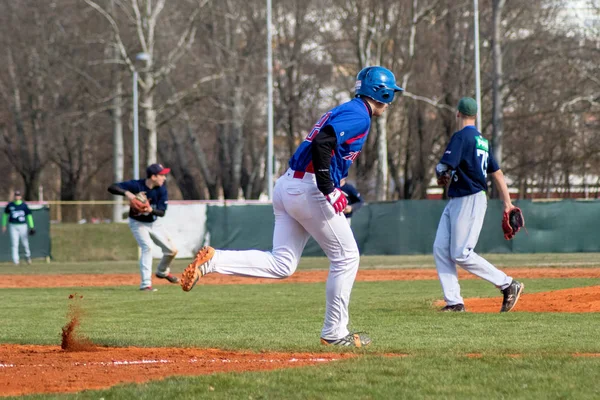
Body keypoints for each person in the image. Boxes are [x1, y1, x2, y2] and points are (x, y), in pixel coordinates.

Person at [180, 66, 403, 347]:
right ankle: (334, 333)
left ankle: (215, 260)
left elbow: (327, 148)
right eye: (391, 93)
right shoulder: (359, 114)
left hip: (288, 185)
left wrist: (334, 178)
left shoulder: (347, 109)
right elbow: (323, 143)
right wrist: (327, 188)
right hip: (308, 189)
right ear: (382, 93)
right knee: (347, 258)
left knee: (282, 264)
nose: (392, 98)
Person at [433, 97, 524, 313]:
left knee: (461, 252)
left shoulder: (461, 137)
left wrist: (441, 174)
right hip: (459, 199)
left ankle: (507, 283)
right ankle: (454, 302)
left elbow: (443, 167)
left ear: (458, 114)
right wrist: (508, 203)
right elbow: (498, 173)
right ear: (475, 116)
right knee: (441, 249)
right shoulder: (483, 140)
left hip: (469, 197)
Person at [108, 164, 179, 291]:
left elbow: (162, 212)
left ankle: (162, 272)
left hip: (154, 223)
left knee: (171, 250)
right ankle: (146, 284)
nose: (164, 178)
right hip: (137, 222)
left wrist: (150, 209)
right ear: (153, 176)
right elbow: (112, 187)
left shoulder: (162, 189)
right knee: (147, 247)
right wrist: (128, 194)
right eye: (161, 175)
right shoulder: (137, 185)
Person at [2, 190, 35, 265]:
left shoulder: (24, 206)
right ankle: (16, 261)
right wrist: (3, 225)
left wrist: (32, 226)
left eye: (18, 195)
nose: (17, 197)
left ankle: (28, 256)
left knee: (25, 243)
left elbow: (29, 216)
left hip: (23, 225)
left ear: (20, 196)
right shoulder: (10, 205)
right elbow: (5, 215)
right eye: (16, 195)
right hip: (13, 225)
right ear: (14, 196)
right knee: (14, 243)